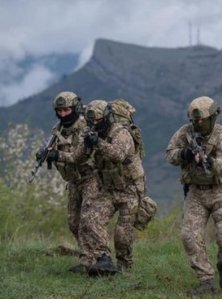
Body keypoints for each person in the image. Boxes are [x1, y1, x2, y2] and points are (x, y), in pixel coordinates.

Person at [56, 99, 144, 275]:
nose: (93, 124)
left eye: (96, 120)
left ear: (106, 118)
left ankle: (125, 266)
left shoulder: (121, 133)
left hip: (130, 190)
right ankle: (103, 259)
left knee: (122, 236)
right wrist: (57, 154)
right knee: (89, 219)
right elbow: (76, 157)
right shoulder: (90, 133)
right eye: (90, 121)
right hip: (109, 189)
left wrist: (98, 143)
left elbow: (118, 155)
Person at [166, 96, 222, 295]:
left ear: (213, 117)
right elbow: (170, 153)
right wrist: (185, 154)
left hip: (220, 191)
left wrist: (211, 163)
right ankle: (206, 279)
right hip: (196, 192)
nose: (197, 124)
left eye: (201, 120)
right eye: (194, 120)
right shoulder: (185, 133)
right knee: (189, 236)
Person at [37, 91, 96, 273]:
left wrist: (58, 155)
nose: (63, 114)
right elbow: (52, 146)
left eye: (66, 110)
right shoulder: (59, 129)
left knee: (89, 220)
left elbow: (83, 156)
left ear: (75, 108)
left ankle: (97, 260)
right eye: (59, 111)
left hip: (91, 178)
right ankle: (88, 257)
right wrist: (44, 153)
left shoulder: (87, 127)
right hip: (73, 181)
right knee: (73, 222)